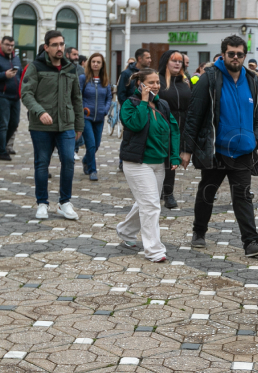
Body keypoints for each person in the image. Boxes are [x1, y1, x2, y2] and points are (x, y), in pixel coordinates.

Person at [181, 35, 258, 257]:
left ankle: (251, 242)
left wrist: (257, 138)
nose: (235, 57)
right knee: (207, 192)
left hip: (243, 151)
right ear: (223, 54)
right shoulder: (210, 79)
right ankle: (199, 231)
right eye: (231, 53)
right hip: (217, 150)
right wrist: (186, 149)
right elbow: (194, 115)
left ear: (244, 56)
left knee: (243, 196)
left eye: (239, 54)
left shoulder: (253, 80)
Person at [116, 68, 180, 261]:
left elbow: (174, 131)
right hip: (137, 163)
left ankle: (125, 230)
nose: (156, 86)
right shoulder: (130, 104)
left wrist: (174, 157)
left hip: (159, 163)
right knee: (151, 205)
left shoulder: (163, 105)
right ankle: (153, 250)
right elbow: (136, 124)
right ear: (140, 84)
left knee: (146, 203)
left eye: (158, 82)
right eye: (151, 82)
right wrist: (144, 101)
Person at [21, 30, 84, 220]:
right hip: (41, 126)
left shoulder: (70, 68)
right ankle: (42, 203)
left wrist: (79, 125)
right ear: (46, 47)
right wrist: (40, 112)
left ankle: (65, 203)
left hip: (66, 124)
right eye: (55, 44)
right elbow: (26, 94)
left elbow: (76, 98)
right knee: (42, 164)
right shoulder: (36, 66)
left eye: (62, 44)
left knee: (69, 160)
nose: (59, 48)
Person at [156, 49, 192, 208]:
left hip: (181, 126)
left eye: (180, 61)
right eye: (174, 60)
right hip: (161, 125)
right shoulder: (158, 80)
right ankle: (157, 192)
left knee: (172, 161)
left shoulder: (185, 81)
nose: (178, 63)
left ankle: (168, 194)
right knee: (159, 161)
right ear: (166, 62)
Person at [0, 36, 22, 160]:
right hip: (0, 95)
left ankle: (0, 144)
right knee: (3, 123)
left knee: (14, 123)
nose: (10, 47)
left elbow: (20, 75)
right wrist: (4, 75)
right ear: (1, 44)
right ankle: (2, 152)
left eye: (12, 45)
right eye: (7, 45)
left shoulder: (16, 58)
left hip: (15, 96)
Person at [79, 52, 113, 181]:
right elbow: (78, 96)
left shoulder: (105, 80)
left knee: (97, 145)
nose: (95, 64)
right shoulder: (83, 78)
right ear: (89, 63)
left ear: (102, 64)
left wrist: (105, 109)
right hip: (86, 117)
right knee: (91, 145)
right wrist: (83, 108)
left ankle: (86, 160)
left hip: (100, 117)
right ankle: (93, 170)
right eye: (93, 61)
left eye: (98, 62)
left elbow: (109, 97)